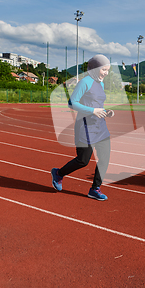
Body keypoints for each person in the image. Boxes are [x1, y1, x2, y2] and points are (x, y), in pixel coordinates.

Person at [51, 54, 114, 201]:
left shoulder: (101, 83)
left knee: (105, 158)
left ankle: (95, 189)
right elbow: (72, 103)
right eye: (104, 69)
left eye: (108, 70)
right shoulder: (85, 82)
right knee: (83, 160)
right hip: (85, 125)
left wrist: (106, 111)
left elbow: (97, 104)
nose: (106, 73)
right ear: (94, 68)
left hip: (100, 126)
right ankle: (59, 173)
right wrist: (93, 111)